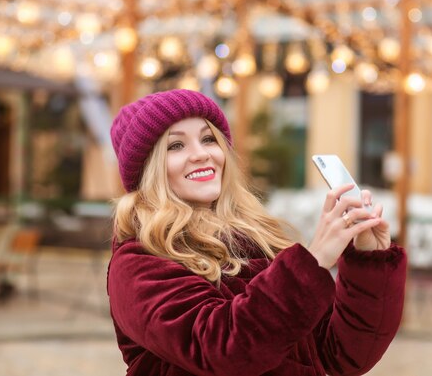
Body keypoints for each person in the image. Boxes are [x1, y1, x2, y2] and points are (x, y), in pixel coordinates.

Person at [107, 89, 406, 376]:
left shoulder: (259, 243)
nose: (201, 155)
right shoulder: (139, 261)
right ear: (147, 168)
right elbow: (224, 350)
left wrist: (369, 260)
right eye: (176, 145)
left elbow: (342, 356)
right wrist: (314, 260)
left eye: (209, 139)